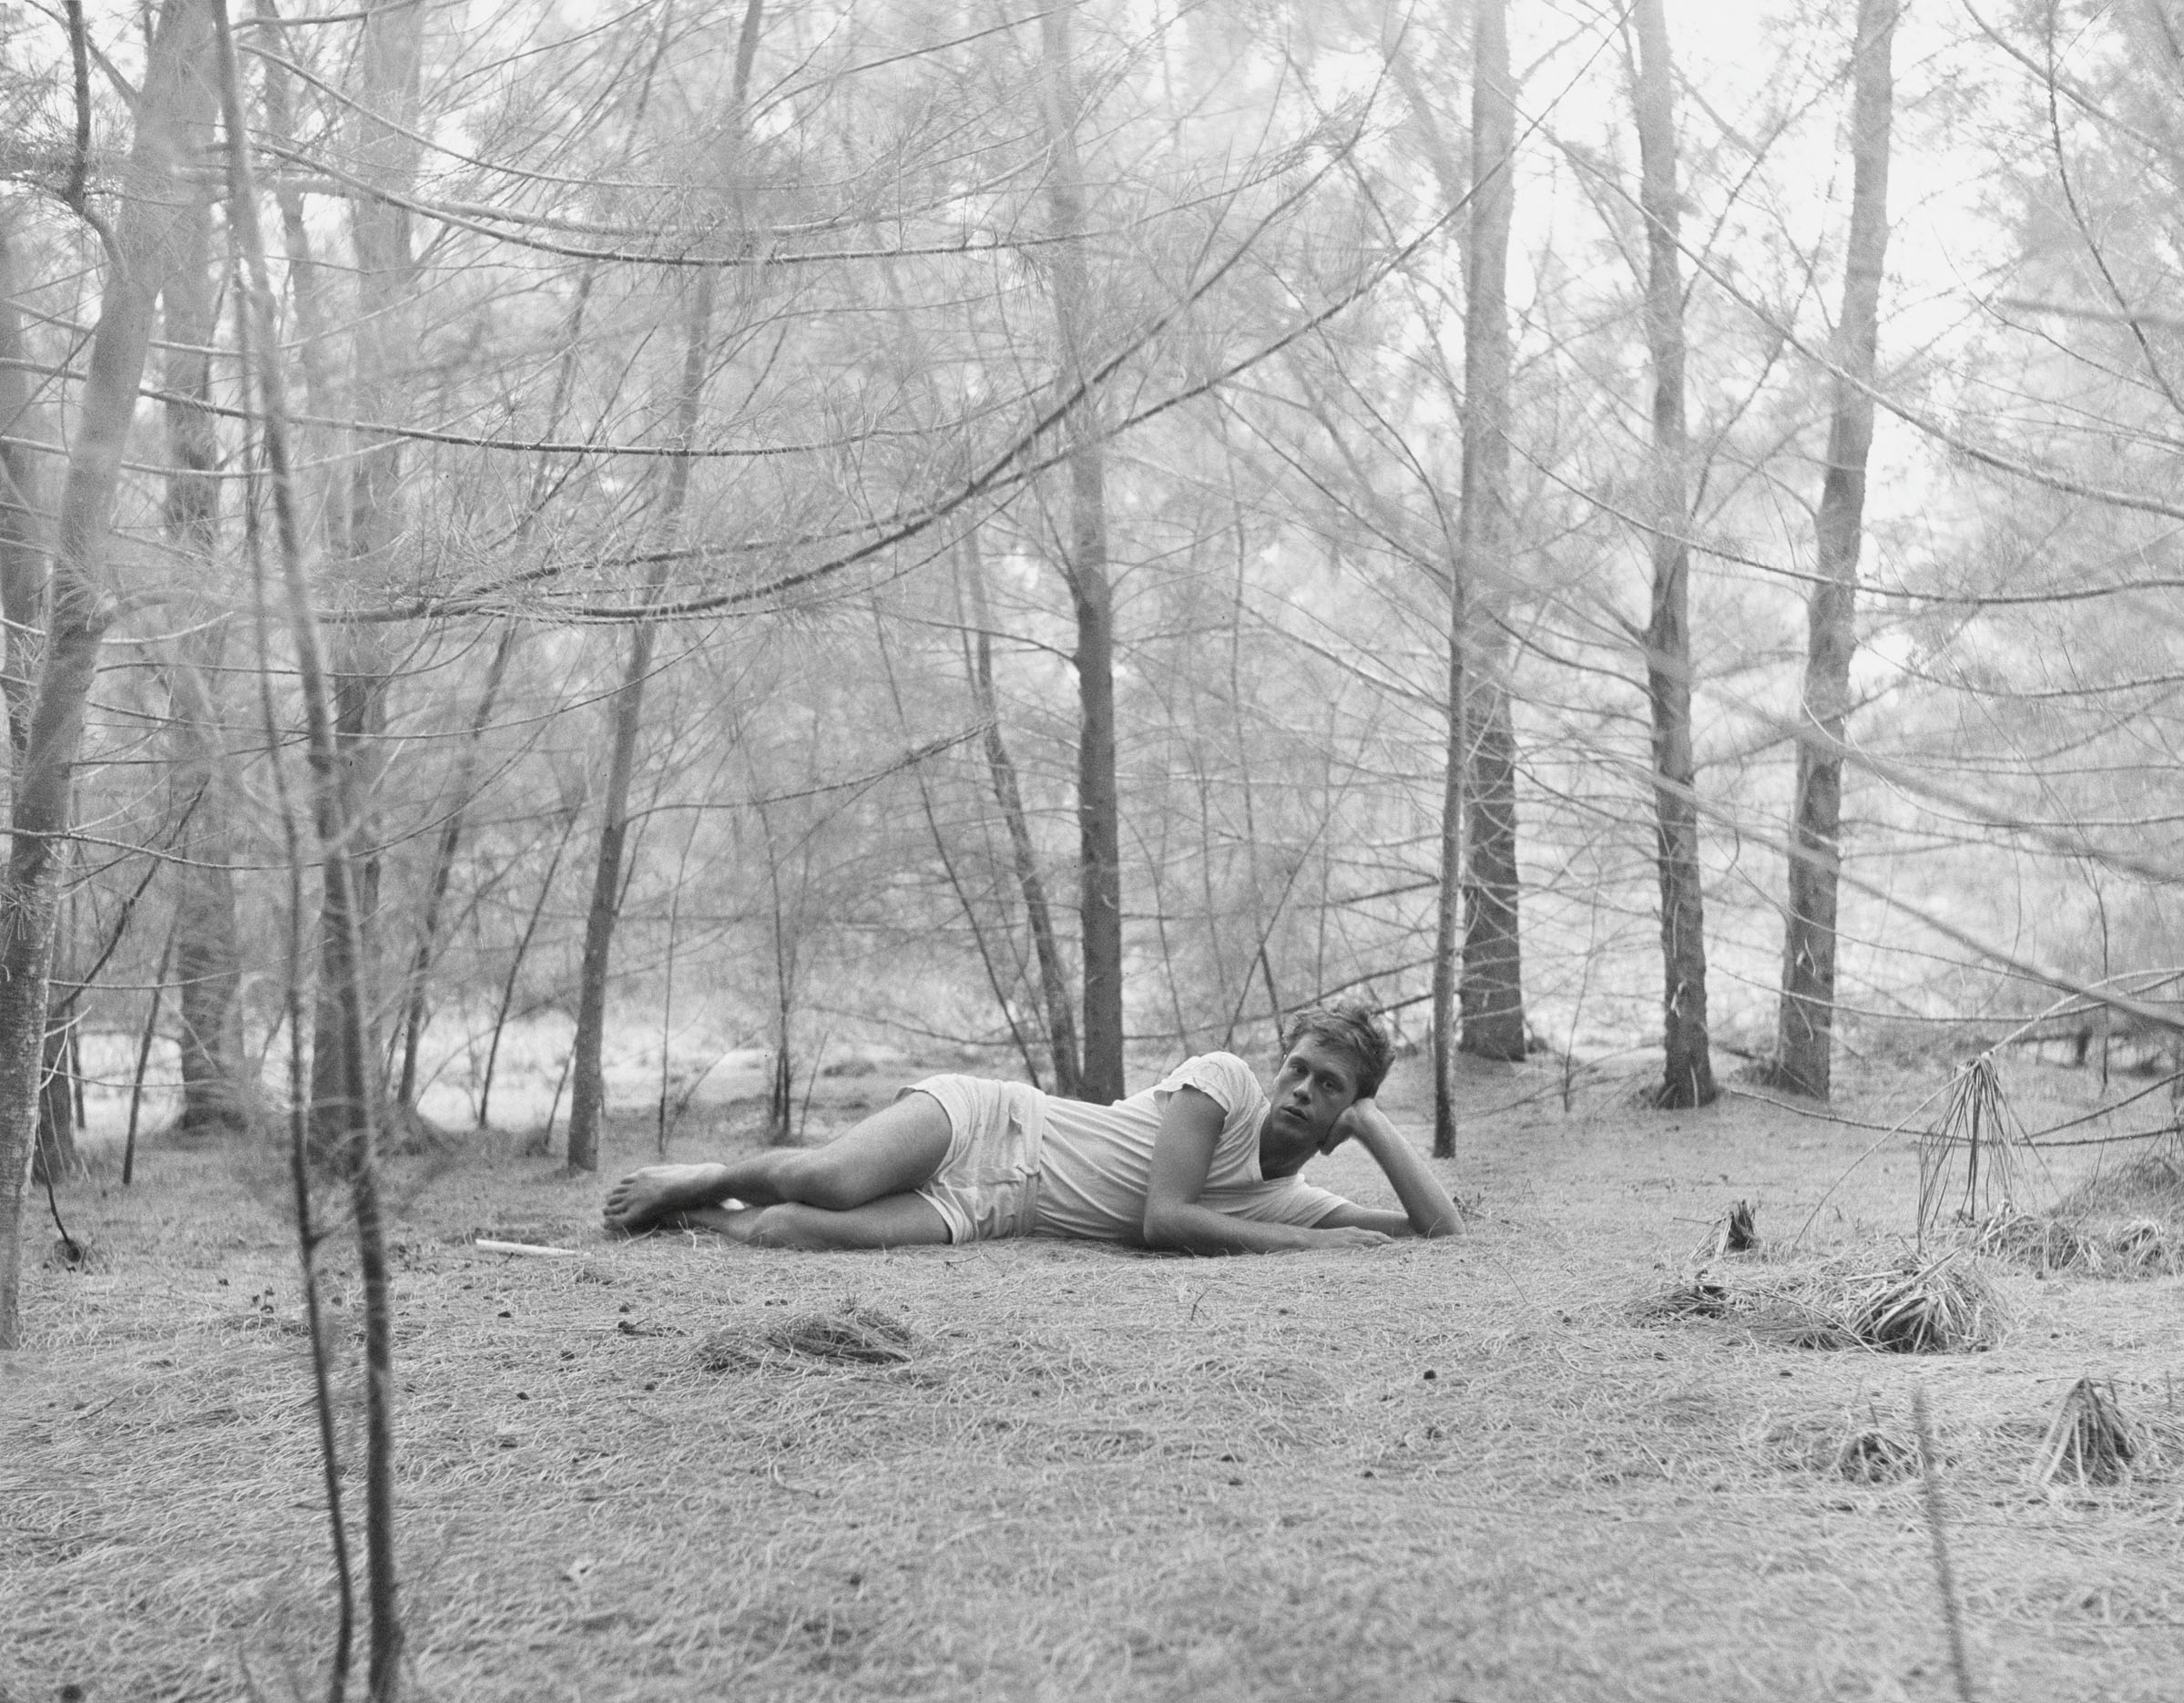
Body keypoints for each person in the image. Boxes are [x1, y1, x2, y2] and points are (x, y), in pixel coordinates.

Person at [601, 1000, 1461, 1253]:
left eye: (1331, 1087)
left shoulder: (1290, 1200)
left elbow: (1440, 1233)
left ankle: (693, 1217)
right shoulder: (1226, 1086)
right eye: (1299, 1068)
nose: (1302, 1090)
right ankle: (705, 1178)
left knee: (792, 1232)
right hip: (992, 1125)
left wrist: (1378, 1128)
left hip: (997, 1210)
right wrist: (1320, 1251)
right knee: (826, 1179)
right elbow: (1166, 1219)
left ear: (1347, 1107)